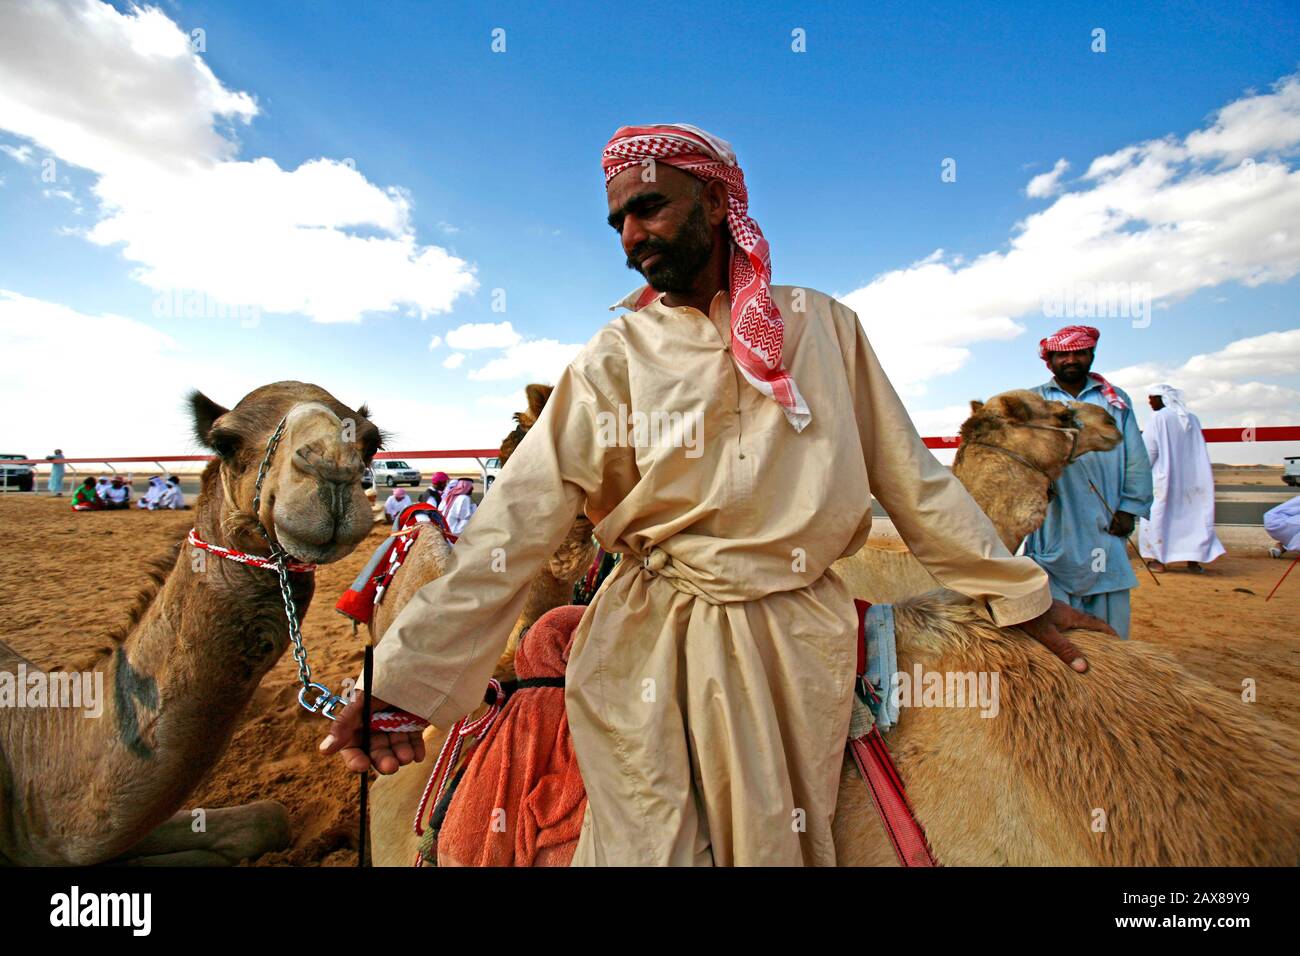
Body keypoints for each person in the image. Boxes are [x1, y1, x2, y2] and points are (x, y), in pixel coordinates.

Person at [323, 122, 1106, 867]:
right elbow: (514, 525)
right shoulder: (614, 358)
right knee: (644, 849)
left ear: (720, 202)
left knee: (777, 841)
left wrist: (1020, 592)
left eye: (649, 206)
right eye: (618, 222)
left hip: (794, 631)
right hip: (647, 634)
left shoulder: (825, 330)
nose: (631, 237)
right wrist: (400, 683)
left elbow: (911, 479)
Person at [1023, 325, 1153, 639]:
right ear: (1049, 360)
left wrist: (1129, 508)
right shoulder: (1034, 402)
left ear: (1091, 354)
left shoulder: (1115, 401)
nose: (1071, 360)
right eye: (1062, 354)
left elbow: (1135, 456)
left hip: (1104, 520)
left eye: (1079, 353)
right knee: (1050, 608)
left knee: (1109, 620)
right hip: (1055, 520)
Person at [1137, 384, 1225, 573]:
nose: (1149, 401)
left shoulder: (1158, 418)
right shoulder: (1192, 418)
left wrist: (1140, 473)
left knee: (1159, 517)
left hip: (1165, 479)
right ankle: (1193, 561)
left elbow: (1148, 452)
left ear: (1161, 398)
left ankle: (1158, 561)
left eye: (1151, 397)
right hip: (1194, 479)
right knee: (1193, 519)